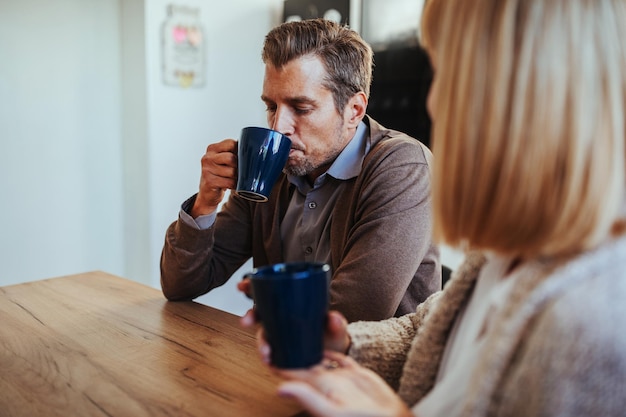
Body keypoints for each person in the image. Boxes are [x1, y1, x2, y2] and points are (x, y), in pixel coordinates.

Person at [246, 0, 626, 415]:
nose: (433, 101)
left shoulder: (595, 320)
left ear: (520, 96)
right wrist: (345, 342)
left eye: (447, 74)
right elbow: (432, 329)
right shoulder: (510, 250)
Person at [160, 18, 441, 322]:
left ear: (354, 110)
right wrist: (205, 203)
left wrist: (266, 307)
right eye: (271, 106)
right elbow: (180, 284)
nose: (279, 127)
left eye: (301, 108)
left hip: (369, 368)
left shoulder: (403, 167)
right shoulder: (274, 168)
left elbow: (355, 315)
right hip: (280, 360)